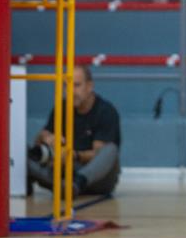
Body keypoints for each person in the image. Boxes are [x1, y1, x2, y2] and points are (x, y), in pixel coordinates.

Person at [29, 65, 120, 196]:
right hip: (65, 172)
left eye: (76, 85)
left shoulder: (106, 111)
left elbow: (99, 154)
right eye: (66, 86)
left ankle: (76, 183)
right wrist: (45, 138)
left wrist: (73, 155)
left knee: (111, 149)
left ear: (89, 86)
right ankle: (64, 186)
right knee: (23, 152)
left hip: (95, 178)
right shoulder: (61, 107)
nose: (71, 91)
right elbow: (39, 141)